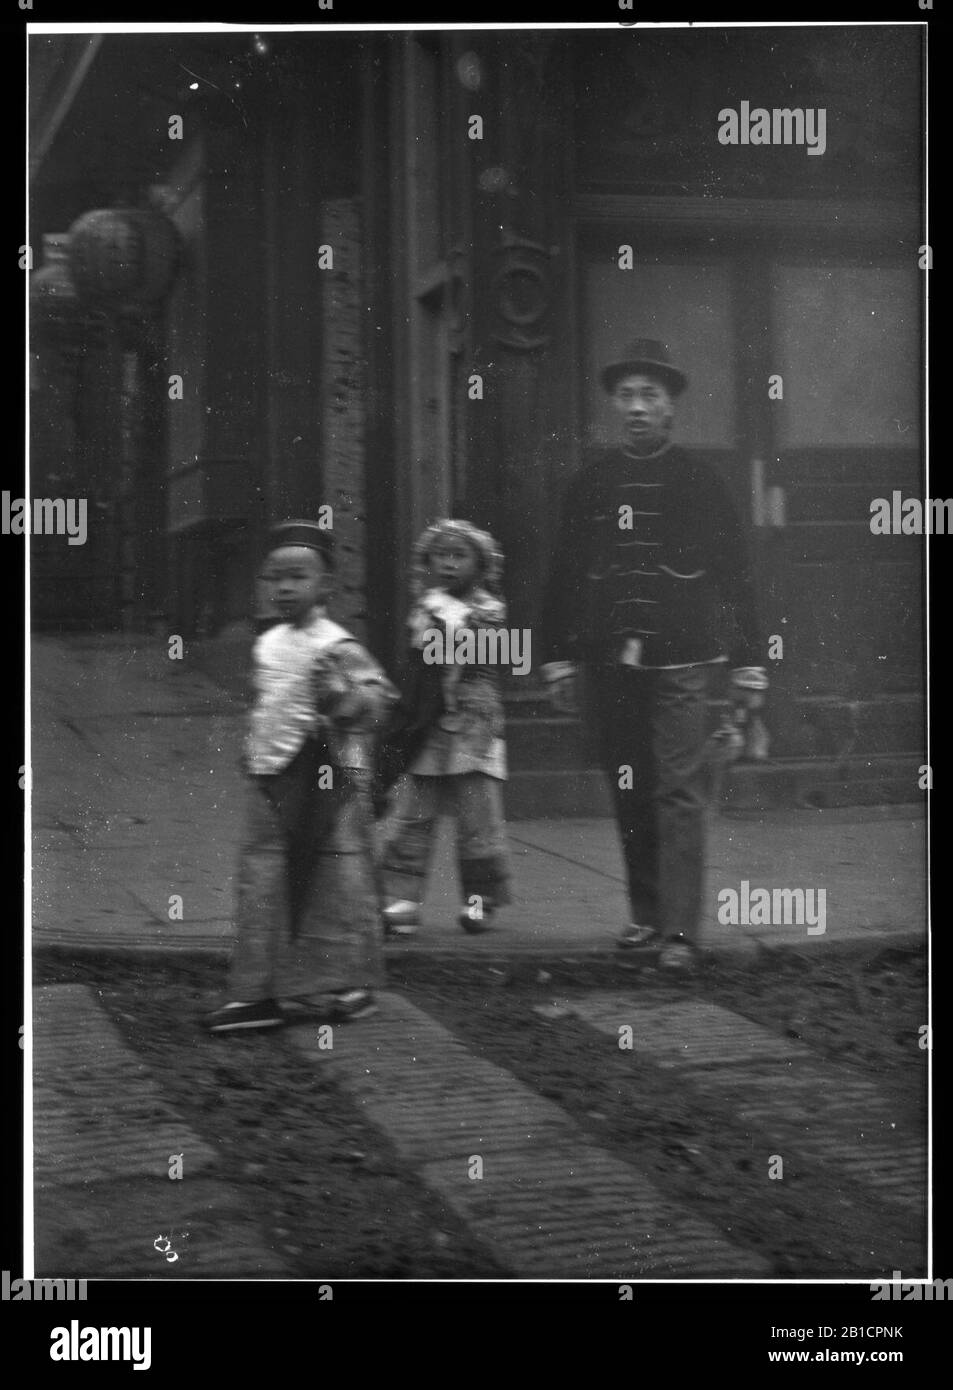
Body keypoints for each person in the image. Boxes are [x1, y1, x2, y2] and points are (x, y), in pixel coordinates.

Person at [539, 339, 768, 970]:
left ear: (671, 407)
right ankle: (645, 916)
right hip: (610, 661)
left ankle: (680, 933)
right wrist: (557, 656)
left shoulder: (701, 481)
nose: (637, 407)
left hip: (684, 658)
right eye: (627, 396)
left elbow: (736, 575)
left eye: (651, 396)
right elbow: (563, 571)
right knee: (630, 787)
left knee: (679, 791)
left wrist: (750, 663)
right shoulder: (591, 483)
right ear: (615, 405)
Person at [204, 519, 398, 1032]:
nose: (285, 588)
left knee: (333, 880)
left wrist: (343, 700)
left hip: (324, 782)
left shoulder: (338, 646)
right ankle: (257, 992)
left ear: (327, 586)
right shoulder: (268, 644)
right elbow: (267, 703)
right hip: (269, 778)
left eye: (298, 577)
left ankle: (345, 982)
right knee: (262, 880)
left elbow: (379, 705)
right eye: (275, 578)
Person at [380, 519, 512, 936]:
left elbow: (492, 657)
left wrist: (448, 634)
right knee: (415, 812)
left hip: (475, 721)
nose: (450, 564)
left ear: (480, 563)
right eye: (442, 556)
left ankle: (480, 900)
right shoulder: (425, 607)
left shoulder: (490, 610)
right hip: (430, 721)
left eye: (460, 556)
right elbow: (418, 660)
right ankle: (401, 898)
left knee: (478, 818)